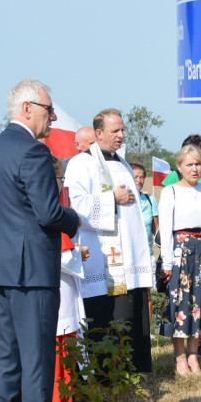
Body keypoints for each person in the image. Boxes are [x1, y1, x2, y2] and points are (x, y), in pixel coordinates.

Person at [0, 80, 83, 402]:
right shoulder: (34, 151)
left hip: (2, 267)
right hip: (34, 270)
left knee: (7, 359)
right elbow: (48, 212)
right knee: (37, 361)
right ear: (27, 108)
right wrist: (74, 219)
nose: (52, 117)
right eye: (48, 109)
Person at [64, 108, 154, 374]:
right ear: (98, 133)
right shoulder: (81, 163)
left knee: (131, 314)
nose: (121, 135)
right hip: (102, 258)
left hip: (129, 256)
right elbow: (75, 206)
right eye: (115, 130)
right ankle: (106, 377)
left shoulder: (123, 163)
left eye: (122, 130)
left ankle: (132, 374)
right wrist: (111, 198)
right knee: (107, 319)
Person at [158, 144, 201, 375]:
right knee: (181, 304)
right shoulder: (170, 191)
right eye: (189, 164)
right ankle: (179, 358)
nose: (194, 169)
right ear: (179, 167)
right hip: (181, 252)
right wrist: (167, 263)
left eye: (198, 164)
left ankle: (194, 355)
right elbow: (165, 229)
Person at [51, 156, 86, 402]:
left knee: (65, 354)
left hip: (63, 294)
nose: (61, 183)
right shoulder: (51, 211)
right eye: (59, 178)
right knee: (59, 358)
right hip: (58, 297)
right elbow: (60, 257)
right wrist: (78, 253)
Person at [132, 163, 158, 251]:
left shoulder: (150, 200)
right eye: (135, 177)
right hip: (127, 253)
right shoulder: (120, 202)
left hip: (147, 253)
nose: (139, 180)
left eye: (141, 177)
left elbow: (156, 229)